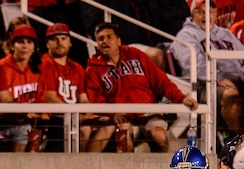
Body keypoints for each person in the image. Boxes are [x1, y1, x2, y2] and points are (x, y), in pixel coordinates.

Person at [84, 22, 198, 153]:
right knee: (123, 139)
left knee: (160, 137)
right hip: (122, 116)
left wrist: (181, 98)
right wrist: (112, 113)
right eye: (100, 38)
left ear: (119, 40)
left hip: (148, 111)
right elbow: (96, 98)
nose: (105, 41)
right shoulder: (93, 68)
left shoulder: (135, 54)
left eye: (109, 37)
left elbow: (160, 81)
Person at [172, 0, 244, 135]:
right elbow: (193, 64)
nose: (207, 16)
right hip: (205, 84)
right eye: (201, 12)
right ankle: (238, 139)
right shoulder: (186, 36)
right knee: (231, 95)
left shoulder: (225, 34)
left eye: (210, 12)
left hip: (237, 79)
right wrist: (217, 77)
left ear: (216, 14)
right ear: (193, 14)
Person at [36, 22, 92, 152]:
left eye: (63, 38)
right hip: (54, 115)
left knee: (106, 126)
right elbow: (49, 97)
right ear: (47, 43)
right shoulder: (44, 64)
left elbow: (83, 97)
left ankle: (88, 166)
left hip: (73, 115)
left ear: (70, 43)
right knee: (84, 129)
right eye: (54, 39)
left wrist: (89, 112)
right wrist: (74, 115)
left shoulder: (77, 67)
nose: (59, 42)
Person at [0, 24, 42, 152]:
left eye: (29, 42)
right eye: (20, 42)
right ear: (12, 46)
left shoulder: (37, 70)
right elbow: (3, 101)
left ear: (34, 47)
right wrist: (25, 112)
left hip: (32, 121)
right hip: (4, 121)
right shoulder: (2, 67)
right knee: (23, 127)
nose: (25, 46)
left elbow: (42, 98)